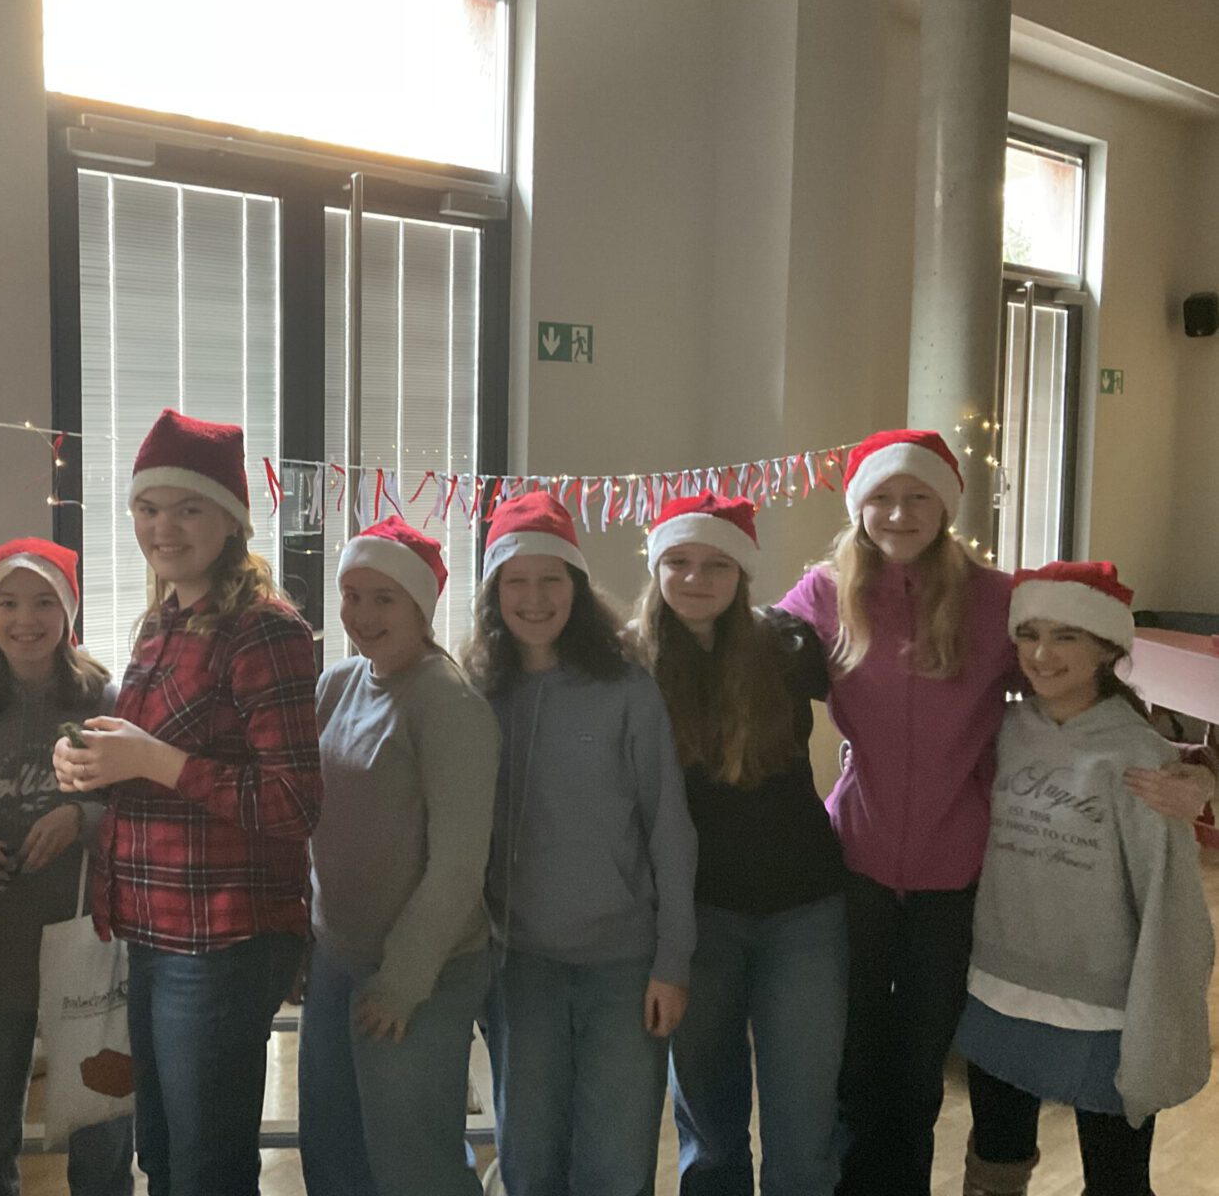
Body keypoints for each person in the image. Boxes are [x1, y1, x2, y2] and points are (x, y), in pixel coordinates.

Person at [778, 429, 1215, 1196]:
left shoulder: (993, 601)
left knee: (918, 1071)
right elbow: (744, 662)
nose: (898, 513)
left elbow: (1082, 694)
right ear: (857, 506)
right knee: (850, 1063)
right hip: (853, 866)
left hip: (955, 881)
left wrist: (1202, 773)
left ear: (947, 506)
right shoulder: (822, 593)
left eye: (918, 496)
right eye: (881, 497)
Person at [51, 408, 321, 1196]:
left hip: (223, 939)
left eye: (187, 509)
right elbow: (155, 761)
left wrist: (154, 760)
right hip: (152, 927)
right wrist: (92, 763)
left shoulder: (265, 631)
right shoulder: (162, 622)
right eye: (147, 508)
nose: (162, 528)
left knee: (207, 1167)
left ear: (230, 519)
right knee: (162, 1156)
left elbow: (293, 803)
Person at [463, 490, 697, 1196]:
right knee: (529, 1158)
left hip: (623, 967)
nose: (534, 598)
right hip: (521, 965)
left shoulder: (626, 688)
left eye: (551, 580)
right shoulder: (477, 692)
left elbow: (668, 826)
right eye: (516, 581)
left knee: (615, 1164)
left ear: (577, 587)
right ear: (494, 591)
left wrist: (672, 962)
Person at [957, 561, 1214, 1196]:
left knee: (1116, 1177)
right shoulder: (1003, 732)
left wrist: (1162, 1009)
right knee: (994, 1164)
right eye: (1029, 634)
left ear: (1105, 648)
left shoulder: (1138, 755)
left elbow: (1169, 902)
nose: (1042, 654)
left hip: (1101, 1012)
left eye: (1066, 636)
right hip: (997, 990)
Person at [630, 492, 847, 1195]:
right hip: (694, 920)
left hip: (804, 912)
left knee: (804, 1125)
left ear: (741, 572)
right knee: (709, 1132)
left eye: (716, 564)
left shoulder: (786, 648)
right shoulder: (630, 664)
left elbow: (885, 688)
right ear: (657, 568)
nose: (696, 578)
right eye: (679, 562)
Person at [298, 517, 500, 1196]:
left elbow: (457, 866)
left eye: (383, 598)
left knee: (413, 1165)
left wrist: (402, 982)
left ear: (420, 606)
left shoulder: (447, 702)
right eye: (351, 595)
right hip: (336, 958)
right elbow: (313, 822)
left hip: (421, 973)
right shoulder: (336, 686)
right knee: (332, 1151)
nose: (362, 614)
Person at [0, 538, 133, 1195]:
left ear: (68, 611)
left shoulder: (105, 701)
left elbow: (141, 811)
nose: (26, 619)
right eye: (9, 603)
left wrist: (82, 818)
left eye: (44, 602)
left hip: (90, 946)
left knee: (102, 1135)